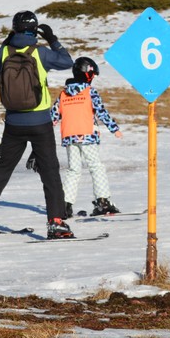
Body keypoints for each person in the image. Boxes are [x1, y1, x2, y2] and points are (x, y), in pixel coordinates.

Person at [0, 10, 75, 239]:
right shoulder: (41, 52)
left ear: (14, 28)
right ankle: (56, 222)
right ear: (35, 29)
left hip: (13, 123)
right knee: (50, 172)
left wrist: (7, 42)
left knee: (3, 169)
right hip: (40, 122)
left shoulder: (5, 51)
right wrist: (53, 40)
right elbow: (67, 62)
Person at [53, 56, 122, 218]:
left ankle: (65, 205)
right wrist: (114, 129)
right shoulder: (90, 92)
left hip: (69, 137)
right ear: (87, 73)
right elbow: (101, 112)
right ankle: (103, 201)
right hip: (87, 136)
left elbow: (53, 116)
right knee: (96, 166)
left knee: (73, 170)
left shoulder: (63, 94)